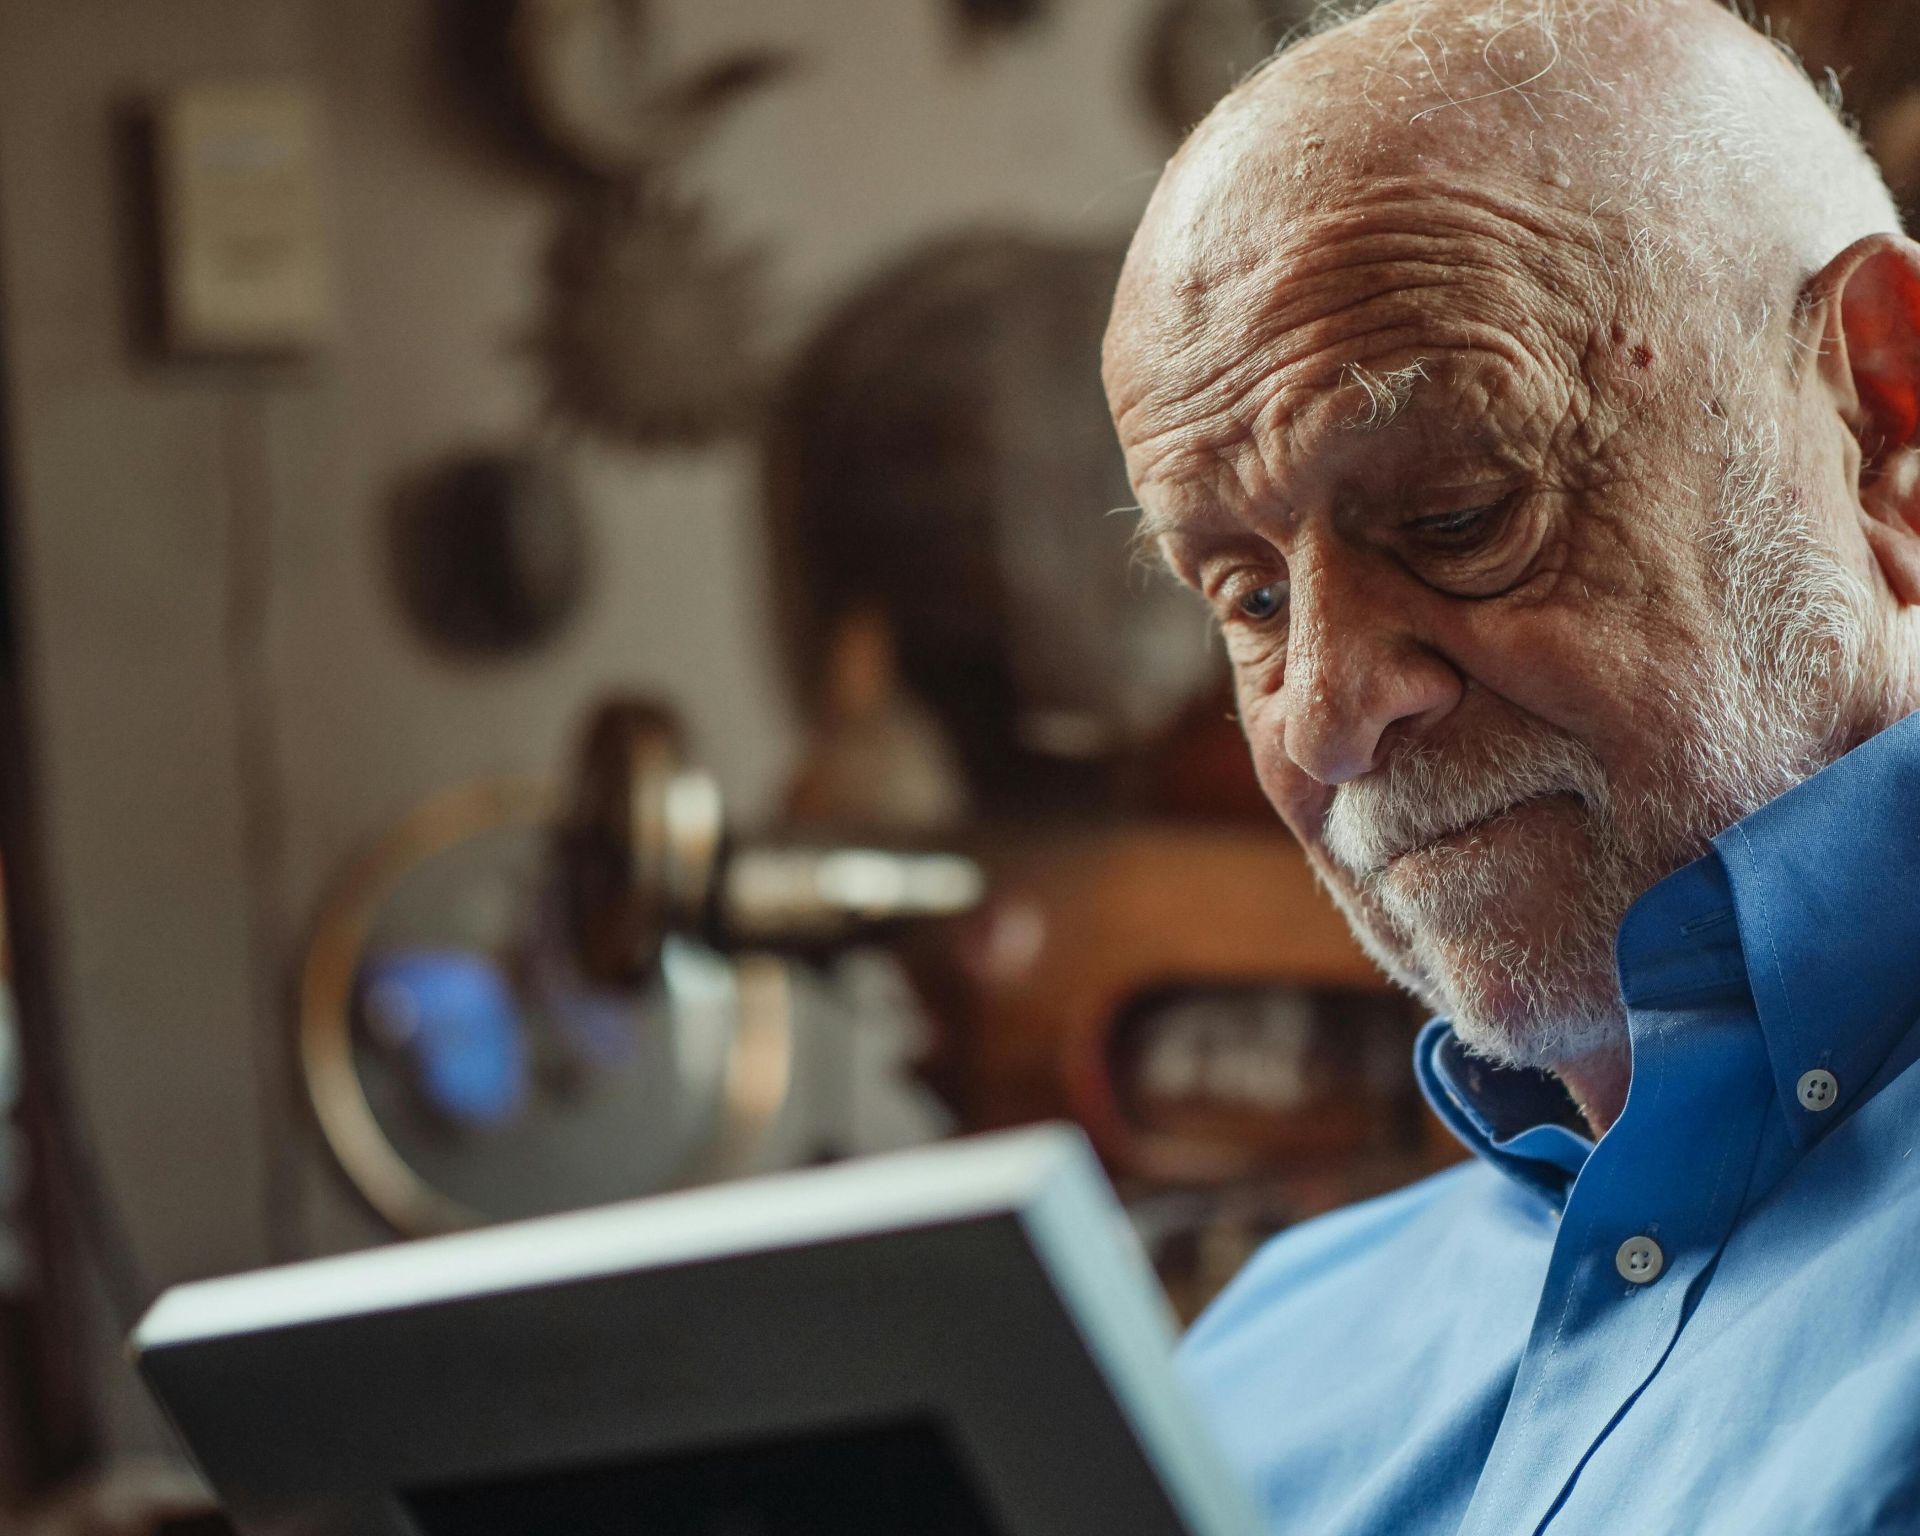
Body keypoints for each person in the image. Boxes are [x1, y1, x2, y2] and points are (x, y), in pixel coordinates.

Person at [1100, 0, 1920, 1531]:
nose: (1325, 719)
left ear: (1881, 419)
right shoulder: (1256, 1368)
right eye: (1253, 601)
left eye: (1461, 515)